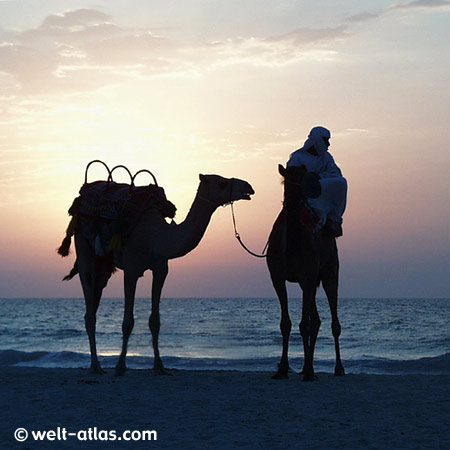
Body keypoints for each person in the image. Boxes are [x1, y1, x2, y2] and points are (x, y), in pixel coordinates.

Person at [287, 126, 347, 237]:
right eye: (326, 140)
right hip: (301, 197)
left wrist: (319, 177)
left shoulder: (326, 157)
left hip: (323, 195)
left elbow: (336, 174)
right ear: (318, 140)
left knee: (342, 182)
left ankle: (334, 220)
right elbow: (290, 178)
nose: (328, 144)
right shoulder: (297, 157)